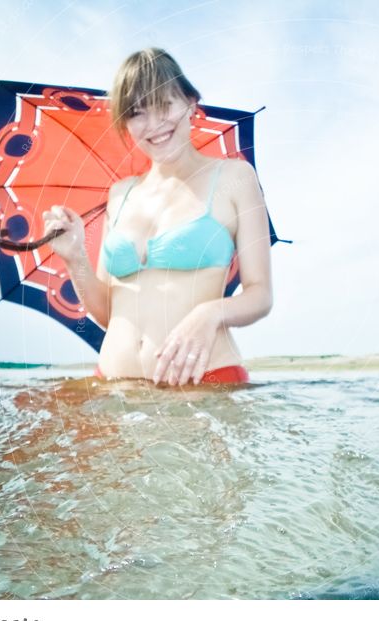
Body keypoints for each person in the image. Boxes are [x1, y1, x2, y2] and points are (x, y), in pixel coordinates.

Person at [41, 48, 272, 386]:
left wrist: (210, 312)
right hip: (114, 387)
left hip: (205, 383)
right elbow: (108, 313)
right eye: (137, 113)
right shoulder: (120, 194)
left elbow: (261, 293)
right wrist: (76, 258)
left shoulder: (235, 177)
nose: (155, 124)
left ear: (191, 103)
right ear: (125, 124)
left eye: (166, 104)